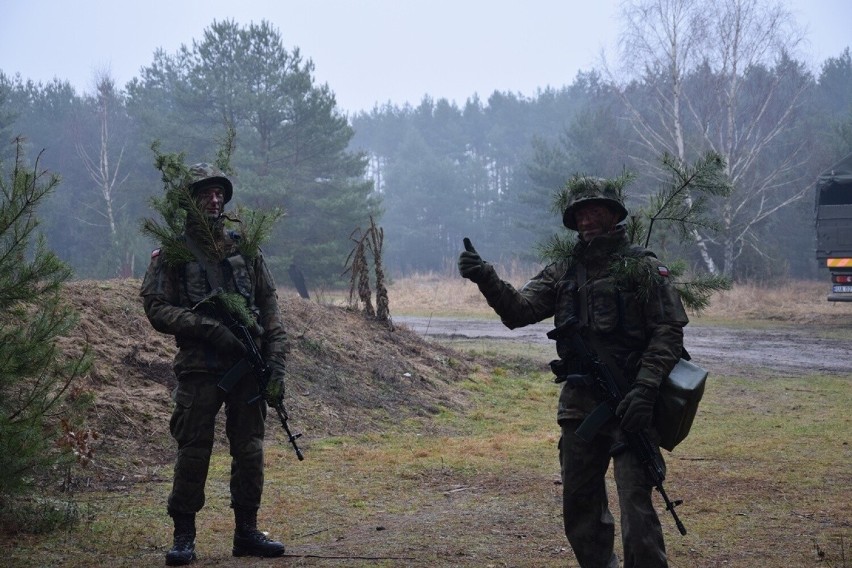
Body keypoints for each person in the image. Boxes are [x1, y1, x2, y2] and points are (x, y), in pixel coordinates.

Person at [458, 176, 688, 568]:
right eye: (580, 213)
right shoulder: (563, 271)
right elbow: (519, 312)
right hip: (580, 406)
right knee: (580, 509)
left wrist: (647, 389)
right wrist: (485, 277)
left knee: (637, 512)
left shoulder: (643, 268)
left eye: (595, 210)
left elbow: (668, 332)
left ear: (614, 214)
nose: (587, 219)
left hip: (632, 401)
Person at [141, 163, 289, 565]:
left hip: (247, 368)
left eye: (219, 192)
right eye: (205, 193)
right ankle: (184, 536)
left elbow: (271, 310)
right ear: (190, 201)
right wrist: (205, 327)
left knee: (250, 450)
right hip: (200, 369)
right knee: (194, 450)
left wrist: (276, 366)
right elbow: (156, 307)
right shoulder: (174, 252)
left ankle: (247, 532)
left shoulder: (246, 248)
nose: (215, 198)